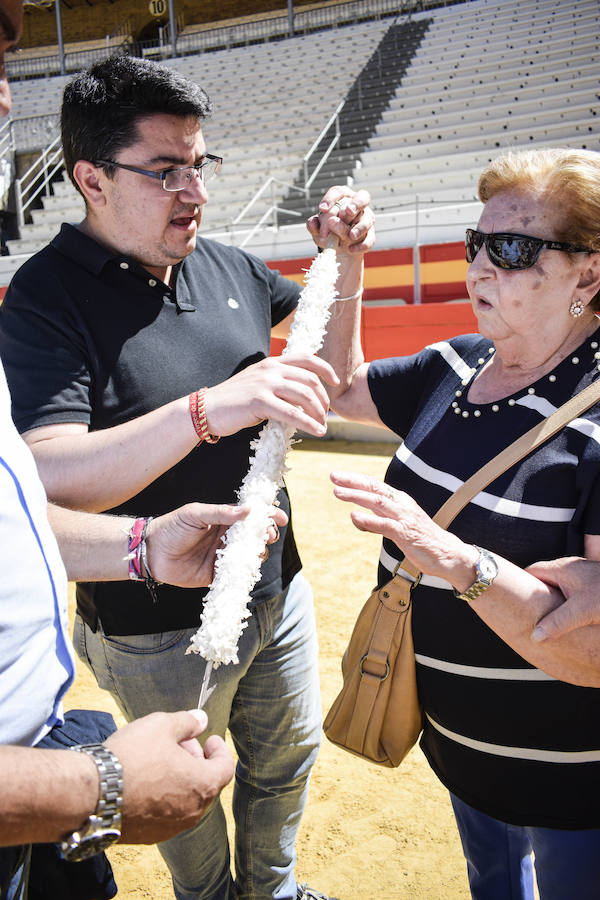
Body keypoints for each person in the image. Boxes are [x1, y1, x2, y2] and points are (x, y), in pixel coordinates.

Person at [0, 51, 375, 900]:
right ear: (91, 178)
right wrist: (212, 408)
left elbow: (341, 378)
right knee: (182, 797)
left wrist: (343, 261)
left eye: (198, 165)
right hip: (150, 622)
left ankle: (269, 892)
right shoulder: (43, 296)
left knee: (286, 758)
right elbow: (47, 478)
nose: (195, 192)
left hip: (277, 583)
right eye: (165, 171)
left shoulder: (230, 265)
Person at [312, 150, 600, 900]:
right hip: (462, 753)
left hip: (575, 785)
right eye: (478, 244)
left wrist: (450, 556)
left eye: (512, 250)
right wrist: (348, 262)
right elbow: (341, 389)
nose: (478, 268)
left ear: (589, 275)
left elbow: (595, 654)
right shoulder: (457, 365)